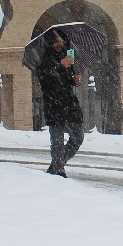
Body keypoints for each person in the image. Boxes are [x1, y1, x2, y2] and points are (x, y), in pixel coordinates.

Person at [37, 28, 84, 177]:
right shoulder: (44, 60)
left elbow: (67, 81)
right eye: (55, 41)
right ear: (50, 43)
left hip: (69, 104)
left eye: (61, 41)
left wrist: (75, 80)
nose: (58, 44)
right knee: (57, 142)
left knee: (78, 137)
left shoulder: (69, 58)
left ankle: (57, 165)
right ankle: (58, 170)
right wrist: (60, 66)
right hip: (53, 105)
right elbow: (47, 81)